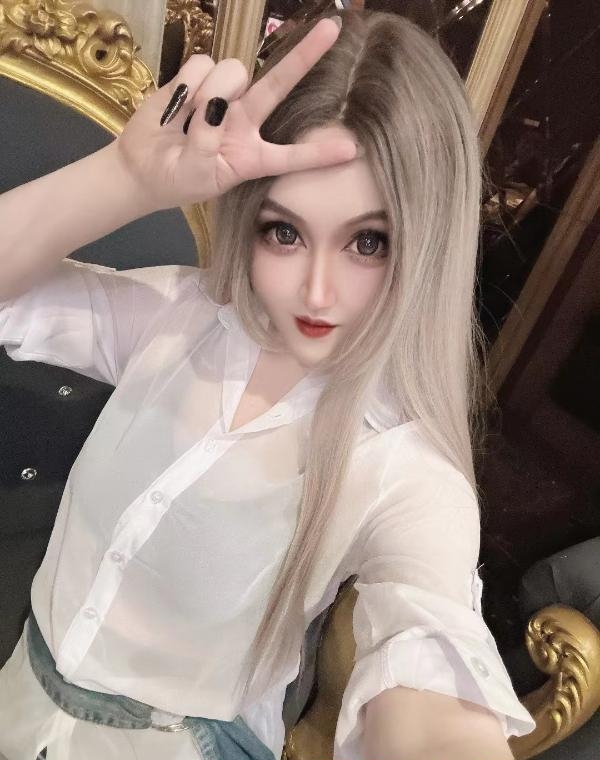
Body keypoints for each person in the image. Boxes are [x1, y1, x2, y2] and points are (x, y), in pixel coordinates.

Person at [0, 8, 537, 760]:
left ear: (427, 246)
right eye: (284, 232)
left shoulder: (405, 469)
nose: (316, 292)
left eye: (368, 242)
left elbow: (430, 663)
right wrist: (124, 178)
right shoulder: (181, 319)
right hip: (23, 695)